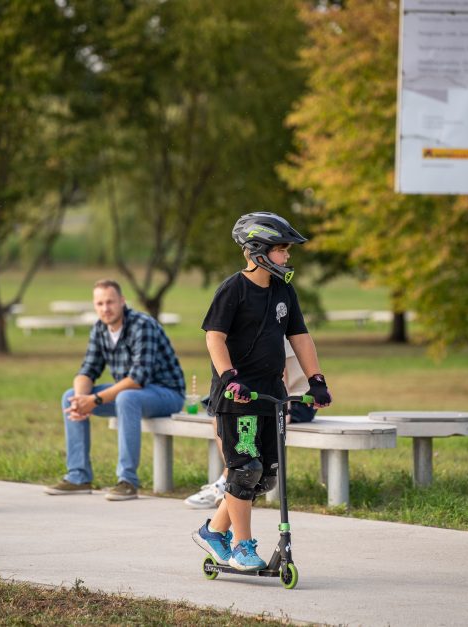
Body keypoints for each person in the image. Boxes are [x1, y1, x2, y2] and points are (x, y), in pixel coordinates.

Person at [192, 212, 332, 571]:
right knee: (244, 470)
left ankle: (212, 532)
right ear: (257, 251)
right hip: (238, 398)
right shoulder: (233, 290)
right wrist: (229, 377)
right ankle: (241, 546)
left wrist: (316, 379)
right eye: (281, 251)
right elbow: (214, 337)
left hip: (270, 397)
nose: (287, 258)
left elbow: (299, 336)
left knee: (265, 475)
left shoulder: (284, 290)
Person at [44, 279, 186, 501]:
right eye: (99, 304)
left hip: (167, 394)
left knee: (127, 398)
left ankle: (127, 481)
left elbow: (137, 379)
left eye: (110, 302)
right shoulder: (100, 329)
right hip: (133, 394)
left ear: (122, 301)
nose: (105, 308)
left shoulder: (142, 325)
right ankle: (78, 476)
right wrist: (82, 400)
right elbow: (87, 370)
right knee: (69, 396)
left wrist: (96, 400)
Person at [184, 338, 316, 509]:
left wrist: (284, 407)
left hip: (295, 399)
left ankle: (228, 481)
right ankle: (231, 483)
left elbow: (280, 370)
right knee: (221, 415)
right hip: (260, 393)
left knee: (245, 468)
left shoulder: (268, 322)